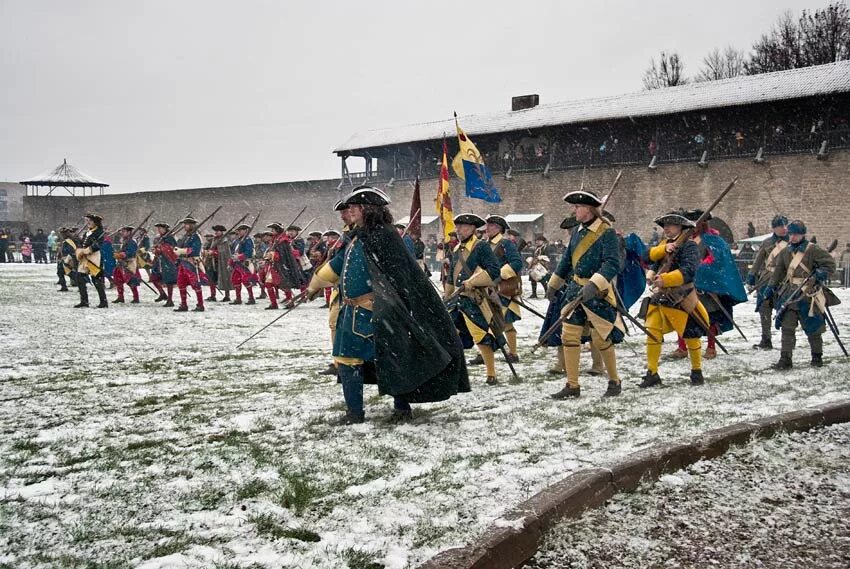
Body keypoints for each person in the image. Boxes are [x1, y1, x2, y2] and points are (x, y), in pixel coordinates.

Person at [306, 186, 469, 424]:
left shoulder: (383, 236)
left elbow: (401, 275)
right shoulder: (358, 237)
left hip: (379, 311)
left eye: (353, 207)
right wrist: (315, 284)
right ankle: (355, 411)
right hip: (351, 312)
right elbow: (339, 265)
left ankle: (401, 408)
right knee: (347, 360)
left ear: (366, 209)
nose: (348, 212)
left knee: (396, 356)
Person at [546, 190, 624, 399]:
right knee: (569, 336)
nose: (574, 210)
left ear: (588, 209)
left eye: (577, 207)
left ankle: (614, 381)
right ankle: (572, 385)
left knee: (601, 339)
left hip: (598, 293)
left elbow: (612, 263)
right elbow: (566, 261)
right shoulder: (578, 232)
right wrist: (554, 283)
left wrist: (595, 283)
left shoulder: (606, 232)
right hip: (575, 290)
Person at [640, 210, 710, 388]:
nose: (667, 229)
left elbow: (689, 271)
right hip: (661, 296)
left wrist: (666, 279)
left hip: (681, 296)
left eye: (671, 225)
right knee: (652, 331)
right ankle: (652, 372)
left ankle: (696, 371)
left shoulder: (690, 246)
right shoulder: (665, 245)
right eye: (665, 226)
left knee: (691, 335)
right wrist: (652, 274)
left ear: (681, 227)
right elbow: (651, 259)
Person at [671, 211, 747, 360]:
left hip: (705, 287)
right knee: (682, 316)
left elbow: (716, 261)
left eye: (696, 223)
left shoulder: (713, 240)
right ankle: (682, 347)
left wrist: (698, 270)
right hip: (684, 285)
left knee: (710, 317)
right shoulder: (683, 241)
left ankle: (711, 348)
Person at [766, 220, 838, 369]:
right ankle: (786, 359)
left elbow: (830, 264)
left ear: (802, 235)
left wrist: (819, 274)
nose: (792, 238)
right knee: (787, 328)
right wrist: (771, 286)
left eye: (796, 235)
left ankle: (817, 357)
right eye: (791, 234)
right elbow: (779, 270)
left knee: (813, 329)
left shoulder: (813, 250)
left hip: (808, 295)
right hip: (789, 296)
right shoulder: (786, 251)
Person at [445, 213, 504, 385]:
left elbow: (494, 270)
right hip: (456, 301)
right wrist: (447, 294)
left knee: (481, 337)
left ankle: (491, 373)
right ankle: (455, 373)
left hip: (473, 299)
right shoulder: (456, 249)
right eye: (458, 227)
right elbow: (451, 276)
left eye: (462, 227)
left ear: (472, 229)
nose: (458, 230)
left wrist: (471, 282)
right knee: (451, 336)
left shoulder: (481, 247)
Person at [746, 215, 789, 350]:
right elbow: (758, 261)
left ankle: (786, 340)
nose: (783, 229)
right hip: (766, 279)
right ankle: (766, 339)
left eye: (785, 225)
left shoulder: (792, 242)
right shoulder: (767, 243)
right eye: (780, 226)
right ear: (774, 228)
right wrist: (752, 275)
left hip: (785, 280)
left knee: (786, 310)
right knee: (764, 309)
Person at [485, 214, 523, 362]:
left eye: (490, 225)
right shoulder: (484, 245)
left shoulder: (506, 244)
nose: (487, 228)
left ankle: (513, 353)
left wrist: (498, 275)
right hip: (487, 288)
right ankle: (486, 352)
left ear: (498, 228)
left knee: (506, 322)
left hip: (502, 288)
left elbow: (516, 263)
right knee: (487, 320)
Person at [173, 217, 207, 312]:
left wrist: (181, 251)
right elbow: (179, 247)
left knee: (195, 284)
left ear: (191, 225)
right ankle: (184, 305)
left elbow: (194, 250)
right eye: (184, 224)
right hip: (183, 262)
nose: (185, 226)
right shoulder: (185, 236)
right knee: (181, 283)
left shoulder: (196, 237)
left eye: (186, 224)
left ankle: (200, 305)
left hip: (192, 262)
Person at [74, 213, 108, 309]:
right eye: (87, 221)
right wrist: (80, 250)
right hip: (85, 258)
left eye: (90, 221)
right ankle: (84, 301)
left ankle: (103, 302)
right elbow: (82, 244)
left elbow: (98, 245)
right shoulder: (86, 233)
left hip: (94, 258)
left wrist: (87, 250)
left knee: (96, 280)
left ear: (95, 222)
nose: (88, 223)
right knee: (80, 277)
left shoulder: (99, 232)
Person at [228, 223, 258, 305]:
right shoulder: (237, 241)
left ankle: (251, 298)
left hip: (244, 263)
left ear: (246, 231)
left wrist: (240, 256)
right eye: (239, 230)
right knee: (235, 280)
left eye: (241, 230)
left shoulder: (248, 240)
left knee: (246, 281)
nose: (239, 232)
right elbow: (233, 252)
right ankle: (238, 299)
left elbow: (249, 253)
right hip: (236, 264)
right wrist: (231, 262)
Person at [150, 222, 178, 307]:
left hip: (168, 261)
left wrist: (160, 249)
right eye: (158, 228)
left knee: (169, 281)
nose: (159, 230)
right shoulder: (160, 238)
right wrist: (156, 249)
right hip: (159, 261)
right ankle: (162, 294)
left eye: (160, 228)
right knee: (154, 277)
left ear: (165, 229)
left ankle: (170, 300)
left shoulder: (170, 238)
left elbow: (172, 249)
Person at [112, 226, 142, 304]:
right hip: (121, 263)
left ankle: (136, 298)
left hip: (129, 263)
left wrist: (123, 254)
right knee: (118, 279)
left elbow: (131, 253)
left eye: (124, 231)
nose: (122, 233)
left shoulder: (132, 242)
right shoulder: (124, 241)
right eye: (122, 231)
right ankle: (120, 297)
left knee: (131, 281)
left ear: (129, 232)